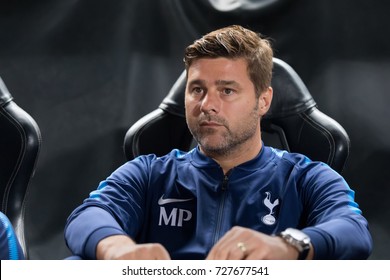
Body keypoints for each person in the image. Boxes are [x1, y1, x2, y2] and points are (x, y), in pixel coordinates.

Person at [64, 25, 372, 260]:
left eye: (227, 90)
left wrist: (288, 245)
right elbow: (87, 216)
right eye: (197, 89)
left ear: (263, 101)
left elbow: (353, 230)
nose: (207, 105)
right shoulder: (150, 173)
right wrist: (116, 247)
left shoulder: (305, 178)